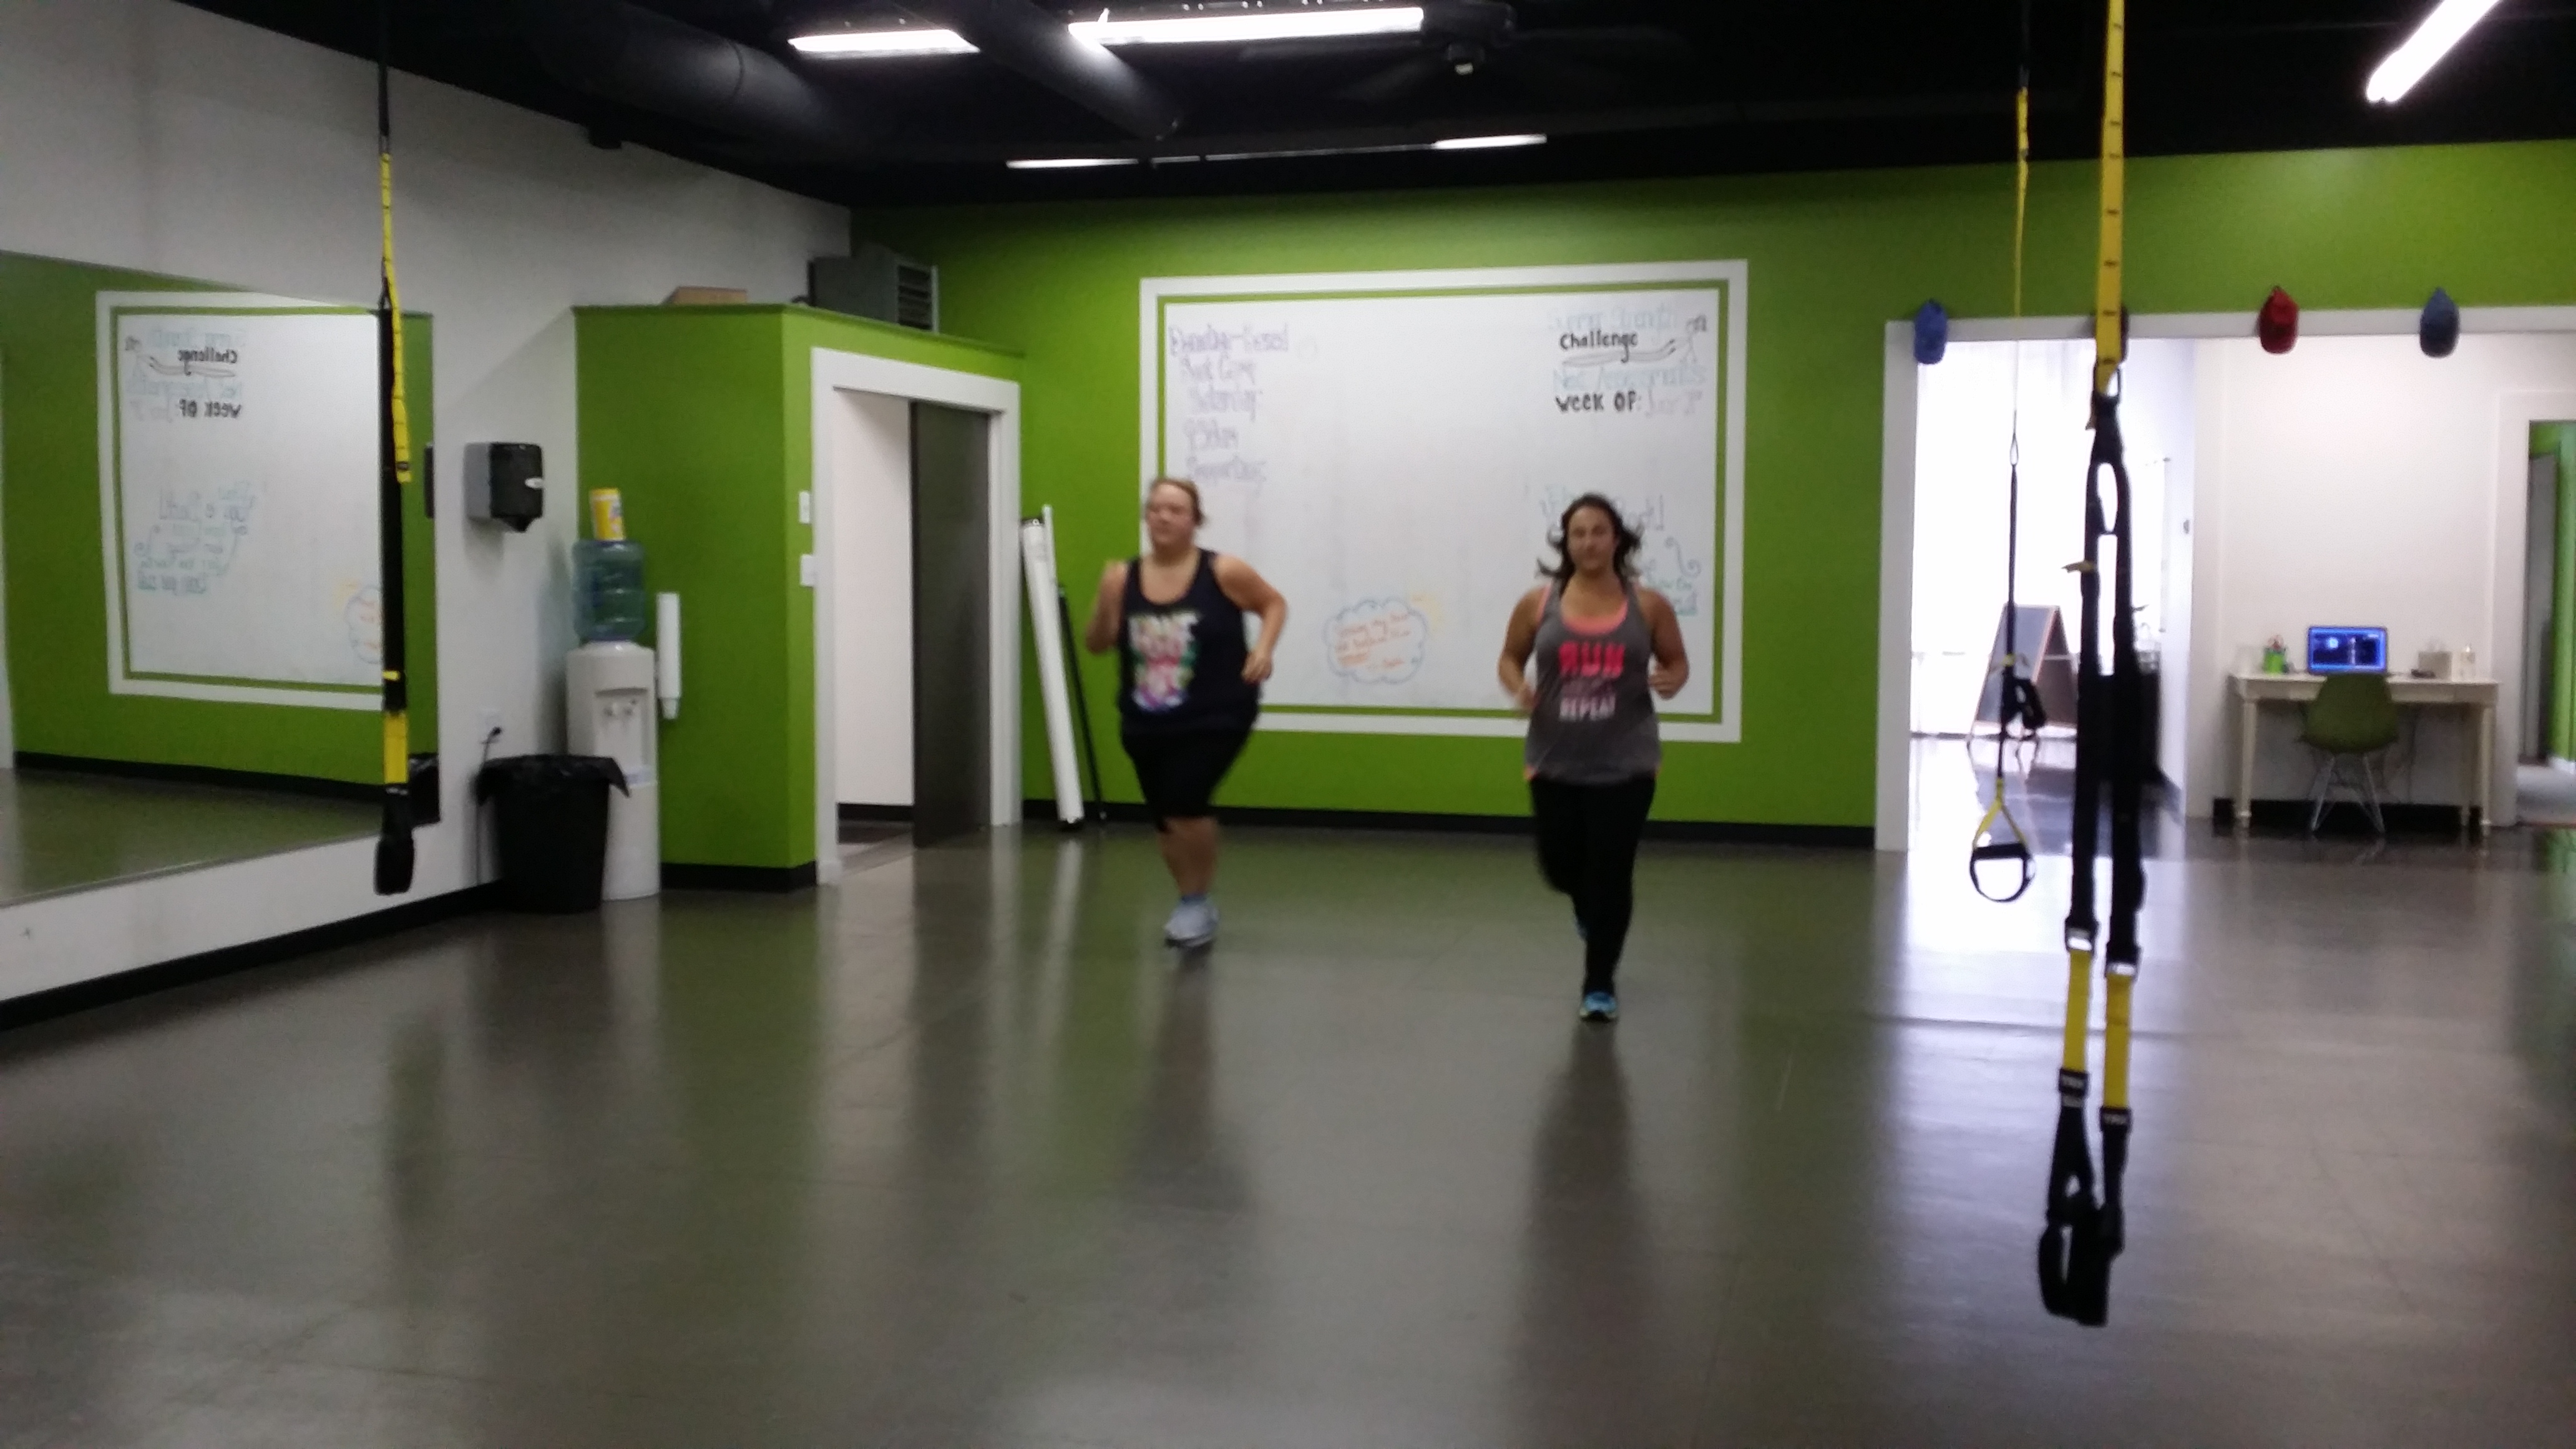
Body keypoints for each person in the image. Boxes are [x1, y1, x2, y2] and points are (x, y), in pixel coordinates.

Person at [1496, 494, 1688, 1022]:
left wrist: (1672, 679)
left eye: (1599, 531)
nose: (1589, 542)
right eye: (1578, 533)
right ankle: (1587, 907)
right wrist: (1518, 688)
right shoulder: (1538, 604)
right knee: (1559, 868)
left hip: (1627, 763)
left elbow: (1677, 662)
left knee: (1612, 872)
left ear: (1616, 539)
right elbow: (1510, 658)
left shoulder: (1648, 606)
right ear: (1567, 542)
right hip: (1554, 760)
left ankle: (1599, 983)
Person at [1085, 477, 1288, 948]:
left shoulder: (1223, 571)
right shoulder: (1123, 577)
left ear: (1195, 520)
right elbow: (1097, 643)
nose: (1163, 516)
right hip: (1146, 717)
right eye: (1156, 508)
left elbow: (1273, 603)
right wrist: (1107, 599)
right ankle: (1190, 899)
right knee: (1166, 818)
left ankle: (1196, 901)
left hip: (1218, 713)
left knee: (1185, 799)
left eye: (1176, 509)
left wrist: (1263, 648)